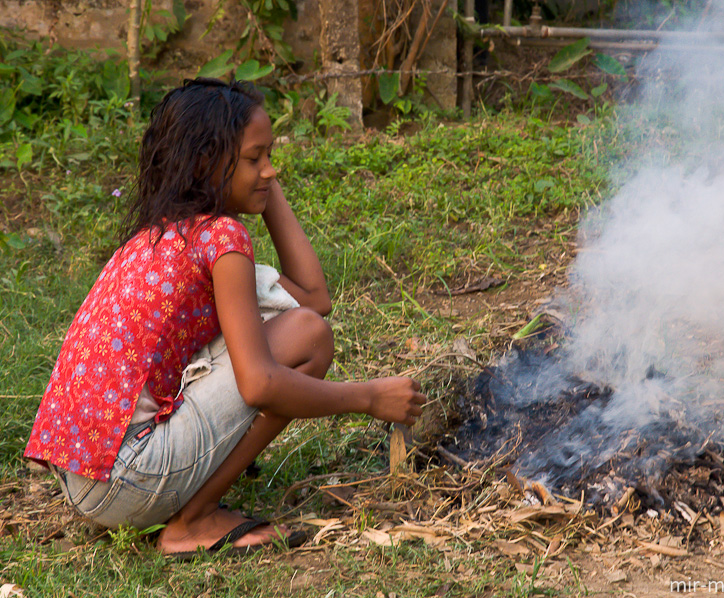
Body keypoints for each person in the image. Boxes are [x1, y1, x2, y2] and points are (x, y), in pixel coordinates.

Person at [24, 78, 426, 558]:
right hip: (130, 479)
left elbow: (312, 297)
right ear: (204, 164)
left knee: (301, 328)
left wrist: (258, 180)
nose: (270, 171)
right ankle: (192, 521)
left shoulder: (161, 236)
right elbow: (263, 379)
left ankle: (185, 507)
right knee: (311, 339)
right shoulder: (221, 239)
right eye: (255, 158)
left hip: (86, 480)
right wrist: (368, 397)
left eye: (270, 157)